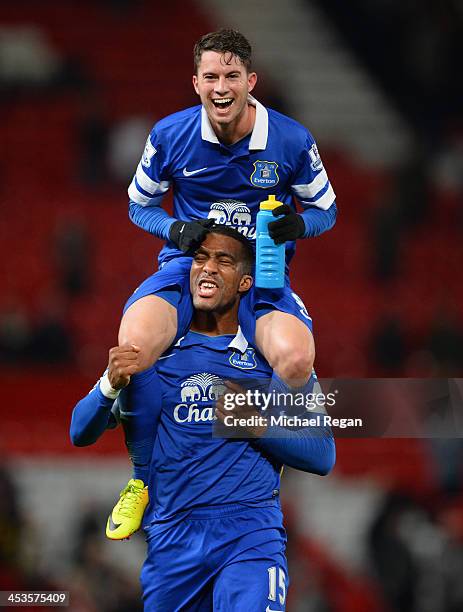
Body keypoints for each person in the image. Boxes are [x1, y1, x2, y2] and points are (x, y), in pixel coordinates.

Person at [70, 227, 335, 611]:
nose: (207, 269)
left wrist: (252, 420)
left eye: (223, 261)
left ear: (246, 282)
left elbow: (322, 454)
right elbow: (80, 432)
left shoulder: (272, 356)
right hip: (172, 540)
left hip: (250, 534)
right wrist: (109, 384)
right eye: (200, 258)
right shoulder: (156, 353)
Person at [120, 28, 337, 391]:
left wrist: (298, 225)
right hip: (187, 267)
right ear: (195, 83)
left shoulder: (292, 140)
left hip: (260, 275)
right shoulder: (169, 135)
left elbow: (326, 211)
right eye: (211, 77)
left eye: (232, 76)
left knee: (297, 361)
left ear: (250, 81)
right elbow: (139, 205)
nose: (221, 88)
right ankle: (129, 427)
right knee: (133, 350)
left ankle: (273, 441)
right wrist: (174, 230)